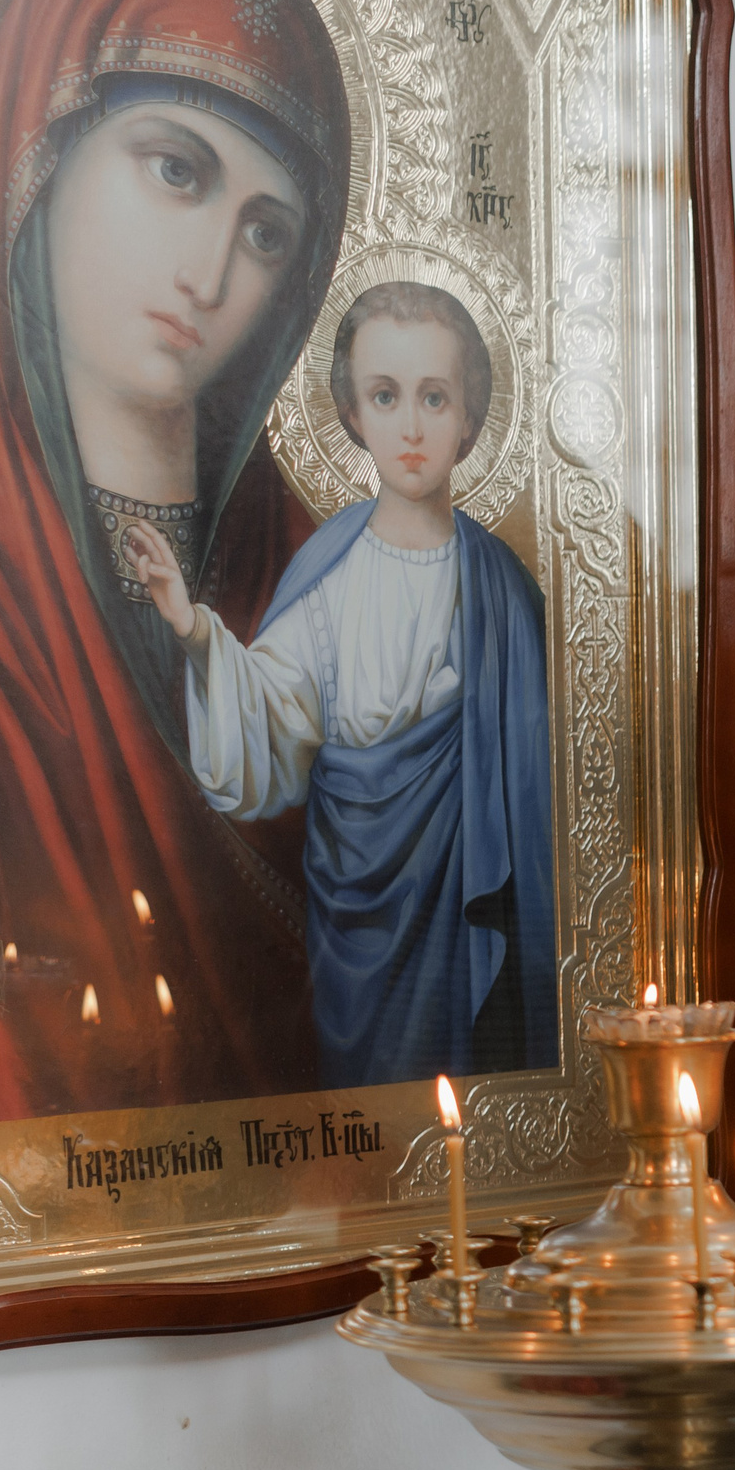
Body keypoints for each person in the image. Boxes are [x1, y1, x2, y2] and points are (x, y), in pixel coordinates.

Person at [0, 0, 351, 1123]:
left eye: (265, 231)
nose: (208, 274)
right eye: (176, 171)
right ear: (36, 157)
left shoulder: (329, 575)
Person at [133, 281, 556, 1088]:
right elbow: (270, 728)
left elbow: (542, 786)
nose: (410, 425)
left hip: (473, 908)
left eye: (435, 397)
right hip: (360, 923)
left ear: (470, 417)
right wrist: (194, 628)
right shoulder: (329, 572)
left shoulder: (505, 588)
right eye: (385, 396)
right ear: (352, 414)